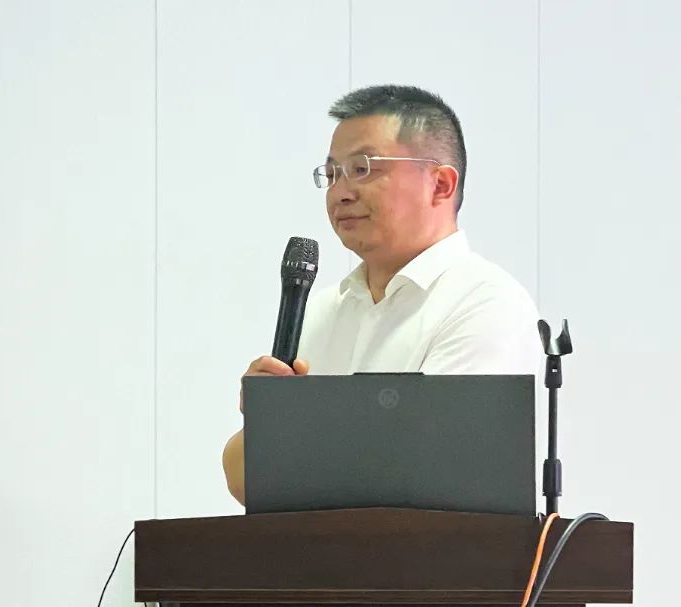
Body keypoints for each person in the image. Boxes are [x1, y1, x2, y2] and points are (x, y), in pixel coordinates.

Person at [222, 84, 542, 504]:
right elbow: (246, 480)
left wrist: (301, 433)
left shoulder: (486, 303)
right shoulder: (321, 311)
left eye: (363, 169)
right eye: (332, 174)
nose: (341, 192)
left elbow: (431, 465)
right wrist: (268, 421)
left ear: (440, 184)